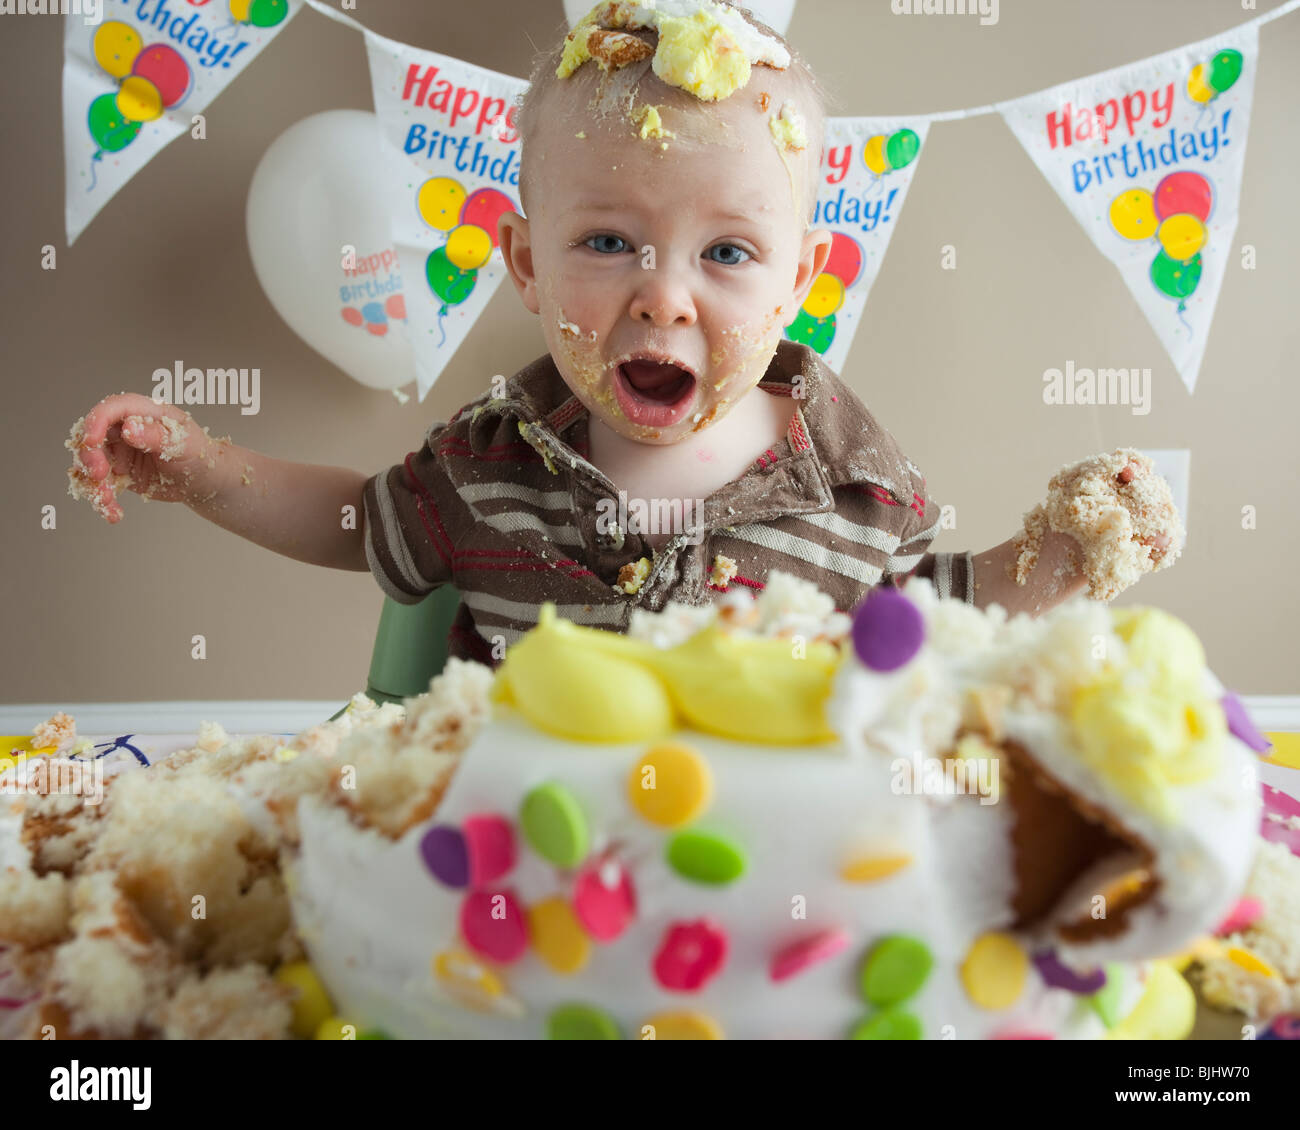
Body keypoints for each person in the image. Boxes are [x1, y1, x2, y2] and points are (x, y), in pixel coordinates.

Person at [66, 1, 1173, 666]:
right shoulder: (486, 463)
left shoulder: (856, 490)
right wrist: (204, 466)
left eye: (727, 254)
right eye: (608, 242)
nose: (663, 298)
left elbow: (937, 621)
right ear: (527, 263)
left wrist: (1073, 551)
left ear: (802, 277)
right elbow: (358, 520)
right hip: (524, 876)